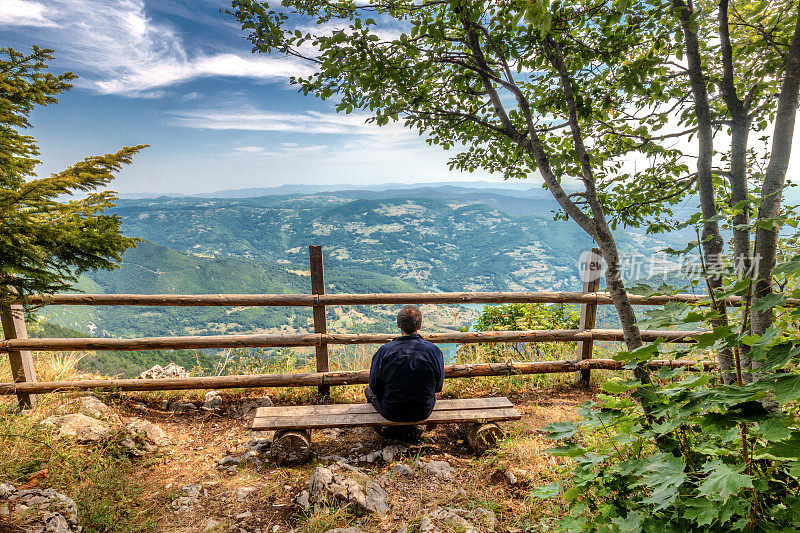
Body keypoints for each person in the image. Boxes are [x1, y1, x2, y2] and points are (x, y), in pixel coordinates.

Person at [365, 304, 445, 442]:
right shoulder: (433, 351)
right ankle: (411, 429)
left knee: (367, 390)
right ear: (419, 326)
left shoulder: (385, 351)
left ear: (398, 325)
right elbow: (438, 386)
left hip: (392, 411)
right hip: (423, 410)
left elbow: (374, 386)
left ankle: (383, 428)